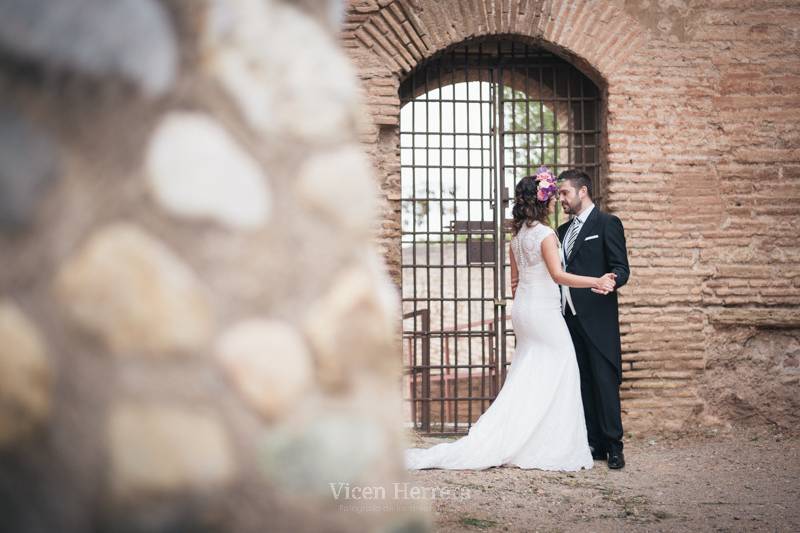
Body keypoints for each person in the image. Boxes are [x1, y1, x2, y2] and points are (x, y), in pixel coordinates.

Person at [404, 167, 616, 471]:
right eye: (552, 197)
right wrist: (596, 280)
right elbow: (558, 275)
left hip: (523, 310)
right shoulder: (545, 235)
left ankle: (523, 435)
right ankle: (551, 444)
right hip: (542, 312)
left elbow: (514, 282)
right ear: (542, 202)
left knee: (529, 372)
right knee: (564, 366)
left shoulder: (516, 237)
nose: (556, 201)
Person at [556, 169, 630, 469]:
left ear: (582, 191)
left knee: (604, 380)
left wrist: (613, 280)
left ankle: (614, 446)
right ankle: (594, 443)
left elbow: (621, 266)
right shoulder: (560, 232)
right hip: (568, 317)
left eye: (565, 193)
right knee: (582, 381)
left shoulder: (607, 223)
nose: (560, 198)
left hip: (598, 317)